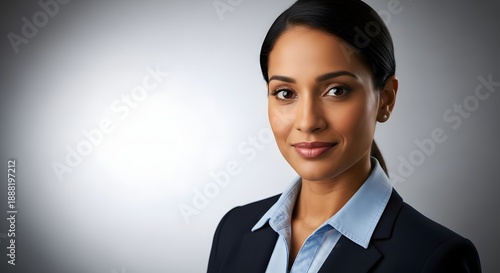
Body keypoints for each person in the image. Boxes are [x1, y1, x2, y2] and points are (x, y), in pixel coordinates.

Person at [207, 0, 481, 272]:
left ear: (385, 99)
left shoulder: (435, 258)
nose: (307, 122)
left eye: (336, 90)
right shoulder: (234, 230)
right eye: (285, 93)